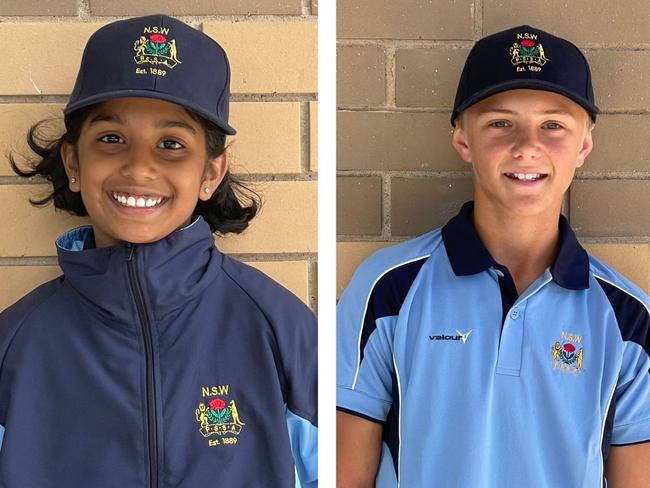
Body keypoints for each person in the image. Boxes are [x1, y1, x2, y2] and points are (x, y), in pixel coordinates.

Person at [1, 14, 317, 487]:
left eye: (171, 144)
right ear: (73, 161)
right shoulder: (15, 344)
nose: (140, 168)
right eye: (112, 139)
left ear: (210, 173)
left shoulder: (280, 328)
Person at [336, 25, 650, 487]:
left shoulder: (627, 318)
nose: (527, 146)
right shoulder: (388, 290)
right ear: (463, 139)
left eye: (553, 125)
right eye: (500, 123)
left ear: (584, 144)